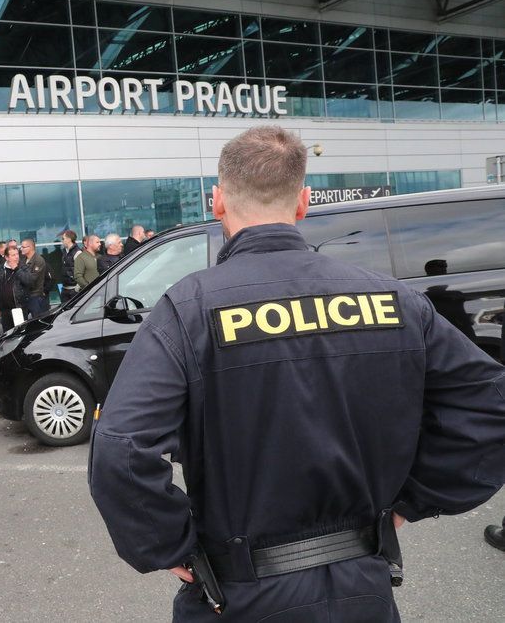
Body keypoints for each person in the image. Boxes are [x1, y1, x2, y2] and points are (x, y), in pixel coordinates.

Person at [88, 125, 505, 622]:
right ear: (304, 202)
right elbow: (489, 404)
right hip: (363, 590)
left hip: (240, 594)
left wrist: (168, 545)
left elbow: (121, 451)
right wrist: (412, 501)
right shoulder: (391, 300)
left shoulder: (189, 309)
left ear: (217, 202)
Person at [0, 246, 26, 332]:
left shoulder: (23, 267)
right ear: (6, 257)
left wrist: (17, 269)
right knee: (7, 334)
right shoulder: (0, 268)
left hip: (18, 308)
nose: (17, 257)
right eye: (13, 255)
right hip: (5, 309)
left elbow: (28, 281)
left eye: (17, 254)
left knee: (19, 333)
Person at [16, 238, 49, 318]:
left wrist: (18, 271)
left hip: (35, 296)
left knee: (37, 322)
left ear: (30, 247)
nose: (21, 249)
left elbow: (31, 280)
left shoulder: (38, 260)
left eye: (23, 247)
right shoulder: (23, 259)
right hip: (24, 297)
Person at [59, 230, 82, 303]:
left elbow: (82, 271)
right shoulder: (64, 252)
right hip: (65, 289)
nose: (62, 241)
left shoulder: (77, 252)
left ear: (69, 239)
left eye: (63, 238)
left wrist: (77, 289)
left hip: (74, 290)